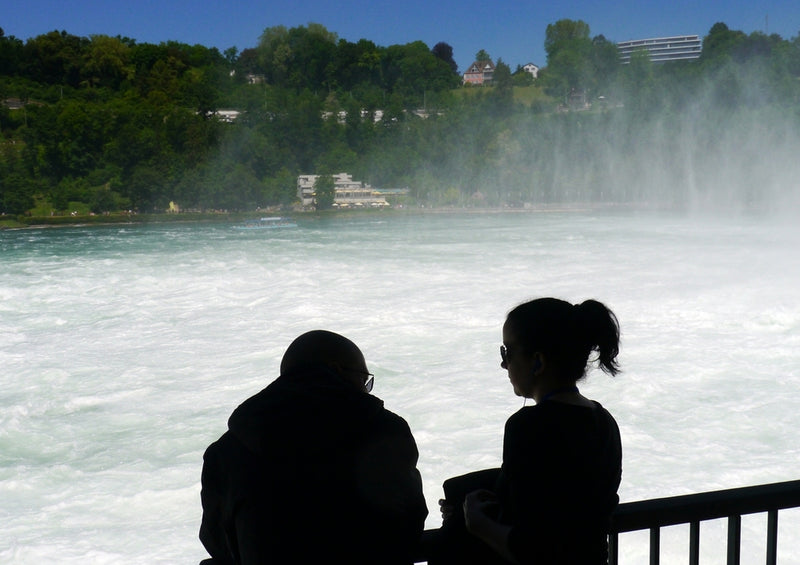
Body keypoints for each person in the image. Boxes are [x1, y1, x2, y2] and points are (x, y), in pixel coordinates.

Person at [199, 330, 428, 565]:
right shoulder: (385, 431)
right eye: (364, 380)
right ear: (338, 371)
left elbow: (217, 542)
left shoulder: (226, 451)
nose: (365, 390)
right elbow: (409, 521)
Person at [436, 298, 623, 565]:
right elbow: (573, 508)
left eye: (507, 353)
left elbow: (533, 548)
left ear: (537, 362)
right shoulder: (604, 421)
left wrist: (477, 523)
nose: (504, 364)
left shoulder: (527, 426)